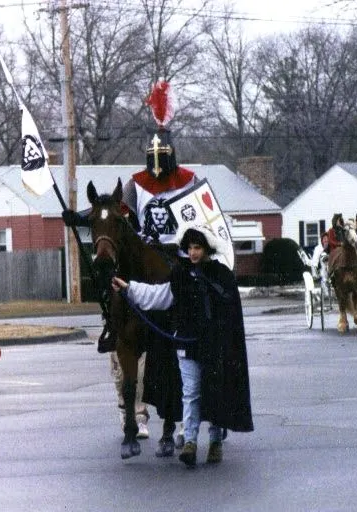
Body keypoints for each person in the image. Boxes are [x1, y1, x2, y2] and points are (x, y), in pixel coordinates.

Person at [62, 80, 193, 453]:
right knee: (116, 282)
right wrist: (79, 218)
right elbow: (115, 217)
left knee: (182, 289)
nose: (157, 163)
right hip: (145, 246)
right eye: (152, 156)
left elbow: (196, 217)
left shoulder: (187, 182)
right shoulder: (135, 185)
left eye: (162, 156)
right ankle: (112, 327)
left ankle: (171, 423)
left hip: (177, 252)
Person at [111, 224, 253, 467]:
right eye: (189, 248)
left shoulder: (222, 275)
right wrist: (130, 289)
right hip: (186, 344)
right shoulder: (180, 274)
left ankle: (215, 441)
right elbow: (160, 296)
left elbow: (230, 315)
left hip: (214, 346)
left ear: (207, 248)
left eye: (197, 247)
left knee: (213, 391)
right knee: (190, 392)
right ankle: (190, 442)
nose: (193, 252)